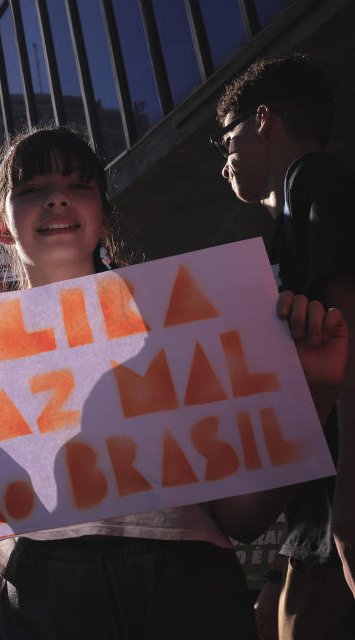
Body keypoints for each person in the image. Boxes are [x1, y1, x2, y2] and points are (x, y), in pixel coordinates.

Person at [0, 126, 348, 639]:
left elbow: (242, 518)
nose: (56, 197)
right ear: (2, 227)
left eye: (79, 185)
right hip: (47, 591)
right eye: (30, 189)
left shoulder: (183, 324)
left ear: (104, 218)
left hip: (189, 587)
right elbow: (16, 511)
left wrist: (314, 395)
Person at [214, 52, 355, 639]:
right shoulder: (293, 214)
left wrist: (349, 494)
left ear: (263, 119)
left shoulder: (312, 180)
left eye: (227, 141)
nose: (225, 163)